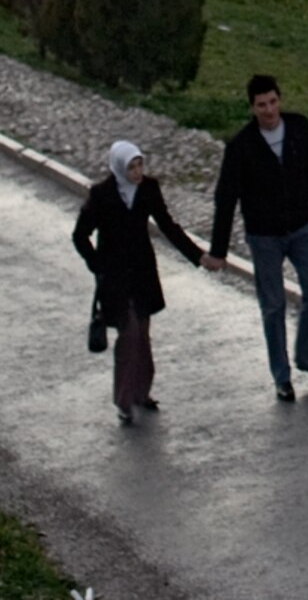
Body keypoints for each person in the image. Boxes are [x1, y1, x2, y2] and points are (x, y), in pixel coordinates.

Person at [207, 74, 308, 401]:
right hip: (264, 236)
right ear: (252, 108)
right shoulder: (241, 147)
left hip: (302, 227)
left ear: (279, 100)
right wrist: (218, 250)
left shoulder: (299, 127)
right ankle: (282, 377)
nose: (269, 110)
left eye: (273, 102)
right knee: (272, 306)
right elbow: (225, 199)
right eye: (261, 105)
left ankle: (307, 357)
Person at [72, 140, 205, 426]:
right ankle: (123, 399)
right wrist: (97, 265)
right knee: (129, 333)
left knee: (142, 333)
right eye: (131, 167)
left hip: (143, 273)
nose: (136, 172)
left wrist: (199, 256)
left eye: (139, 165)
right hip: (115, 278)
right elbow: (80, 235)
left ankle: (141, 392)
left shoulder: (148, 189)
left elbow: (168, 226)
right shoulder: (101, 195)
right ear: (120, 167)